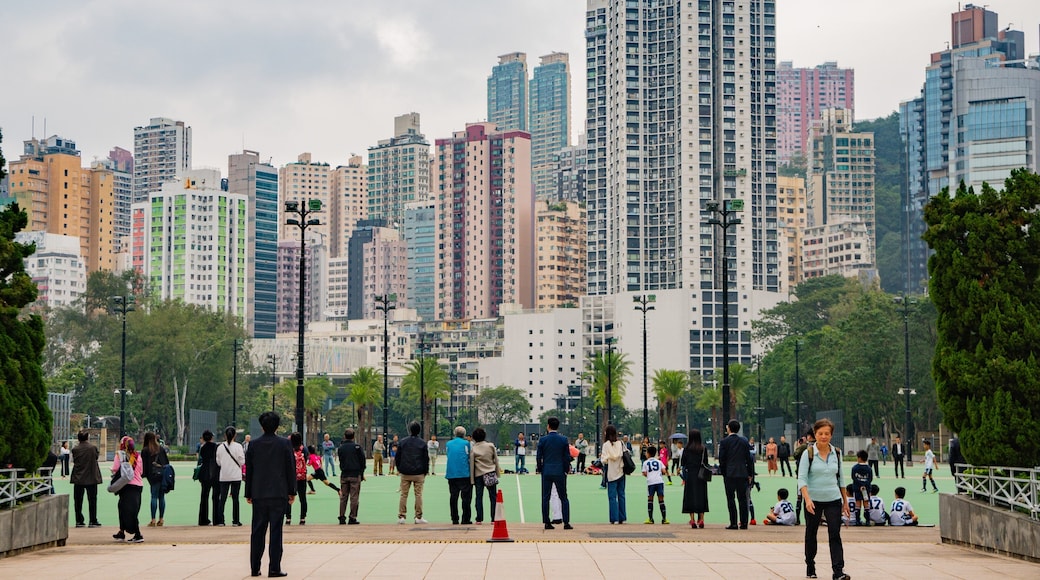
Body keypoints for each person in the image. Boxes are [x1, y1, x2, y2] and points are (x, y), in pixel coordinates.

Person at [798, 418, 851, 580]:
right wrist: (807, 500)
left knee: (835, 534)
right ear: (815, 434)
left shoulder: (837, 453)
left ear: (831, 435)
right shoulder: (808, 453)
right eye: (820, 433)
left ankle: (838, 571)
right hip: (813, 501)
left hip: (833, 499)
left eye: (827, 434)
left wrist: (845, 501)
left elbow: (841, 478)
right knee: (811, 533)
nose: (823, 436)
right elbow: (802, 479)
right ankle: (810, 566)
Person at [245, 411, 296, 577]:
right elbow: (290, 469)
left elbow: (249, 471)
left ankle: (254, 567)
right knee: (276, 531)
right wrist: (292, 491)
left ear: (261, 426)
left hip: (259, 493)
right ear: (277, 426)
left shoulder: (253, 445)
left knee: (257, 531)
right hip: (278, 493)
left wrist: (249, 493)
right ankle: (274, 567)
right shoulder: (284, 444)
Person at [537, 416, 573, 530]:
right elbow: (566, 457)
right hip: (559, 471)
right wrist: (566, 469)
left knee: (545, 497)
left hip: (547, 470)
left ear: (548, 426)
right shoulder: (563, 439)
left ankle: (547, 522)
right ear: (557, 426)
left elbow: (539, 457)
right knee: (563, 497)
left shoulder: (543, 440)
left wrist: (540, 469)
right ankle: (566, 522)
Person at [718, 420, 754, 530]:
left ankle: (733, 523)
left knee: (730, 498)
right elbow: (749, 459)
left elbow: (722, 459)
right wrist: (750, 473)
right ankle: (743, 523)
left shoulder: (724, 442)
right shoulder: (744, 441)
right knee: (743, 499)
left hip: (729, 474)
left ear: (729, 428)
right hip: (742, 473)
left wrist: (724, 472)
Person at [112, 436, 144, 543]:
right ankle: (121, 531)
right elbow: (141, 471)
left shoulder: (120, 455)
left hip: (127, 486)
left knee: (127, 510)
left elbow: (115, 469)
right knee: (127, 509)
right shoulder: (138, 456)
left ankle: (138, 534)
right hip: (138, 485)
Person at [396, 421, 430, 525]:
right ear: (419, 430)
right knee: (418, 495)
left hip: (405, 472)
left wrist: (400, 469)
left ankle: (402, 516)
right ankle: (418, 517)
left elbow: (398, 457)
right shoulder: (422, 443)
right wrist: (425, 471)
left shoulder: (402, 442)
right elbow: (426, 459)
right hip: (419, 473)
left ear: (410, 430)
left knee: (404, 495)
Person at [214, 426, 246, 527]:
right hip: (236, 476)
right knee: (235, 498)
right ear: (235, 435)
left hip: (224, 475)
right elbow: (242, 461)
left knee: (222, 498)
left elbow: (218, 462)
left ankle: (221, 521)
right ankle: (236, 520)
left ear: (224, 435)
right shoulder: (238, 446)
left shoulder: (220, 447)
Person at [70, 430, 102, 528]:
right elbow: (96, 457)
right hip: (91, 477)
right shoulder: (93, 448)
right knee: (92, 500)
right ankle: (93, 520)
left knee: (78, 500)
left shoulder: (75, 449)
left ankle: (79, 520)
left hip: (78, 477)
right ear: (87, 438)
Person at [469, 427, 500, 524]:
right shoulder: (490, 446)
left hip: (478, 474)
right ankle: (493, 519)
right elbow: (496, 460)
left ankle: (479, 519)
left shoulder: (473, 448)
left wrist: (472, 479)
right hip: (490, 472)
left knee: (479, 496)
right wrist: (497, 473)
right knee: (493, 497)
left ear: (474, 438)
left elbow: (472, 465)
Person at [680, 428, 709, 529]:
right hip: (701, 475)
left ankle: (692, 519)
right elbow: (705, 462)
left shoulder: (686, 449)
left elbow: (683, 463)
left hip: (690, 475)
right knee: (701, 496)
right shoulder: (703, 448)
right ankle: (701, 519)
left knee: (690, 496)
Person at [337, 428, 366, 525]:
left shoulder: (341, 448)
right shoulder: (357, 447)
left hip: (344, 474)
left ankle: (341, 516)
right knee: (354, 497)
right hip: (355, 474)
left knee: (343, 497)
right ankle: (352, 517)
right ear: (354, 437)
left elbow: (341, 460)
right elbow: (362, 461)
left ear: (344, 436)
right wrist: (361, 474)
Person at [445, 426, 473, 525]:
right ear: (464, 435)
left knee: (453, 496)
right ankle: (465, 518)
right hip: (464, 473)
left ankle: (454, 518)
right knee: (466, 498)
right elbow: (469, 456)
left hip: (451, 473)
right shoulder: (466, 443)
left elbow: (448, 454)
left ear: (455, 434)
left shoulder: (448, 444)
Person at [141, 431, 170, 527]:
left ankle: (153, 519)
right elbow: (166, 462)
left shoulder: (145, 450)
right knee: (162, 497)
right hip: (162, 474)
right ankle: (161, 519)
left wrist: (143, 475)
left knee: (153, 496)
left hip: (152, 476)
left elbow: (143, 465)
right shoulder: (161, 449)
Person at [600, 425, 626, 524]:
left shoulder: (606, 445)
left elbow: (604, 460)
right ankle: (622, 517)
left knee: (612, 497)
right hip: (621, 472)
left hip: (611, 473)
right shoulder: (620, 443)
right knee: (621, 495)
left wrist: (608, 457)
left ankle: (613, 518)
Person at [641, 444, 669, 524]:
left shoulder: (646, 463)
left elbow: (644, 473)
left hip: (651, 483)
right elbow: (664, 471)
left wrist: (649, 475)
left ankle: (650, 519)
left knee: (650, 499)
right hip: (659, 482)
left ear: (648, 454)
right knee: (661, 499)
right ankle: (664, 519)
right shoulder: (659, 462)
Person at [793, 430, 815, 525]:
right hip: (814, 478)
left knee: (800, 497)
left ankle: (797, 519)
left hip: (802, 477)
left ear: (809, 436)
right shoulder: (819, 447)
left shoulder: (804, 447)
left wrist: (798, 446)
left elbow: (795, 455)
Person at [197, 430, 219, 526]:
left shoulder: (203, 447)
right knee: (216, 497)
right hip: (214, 473)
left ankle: (203, 519)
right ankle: (217, 519)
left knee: (204, 497)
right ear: (211, 438)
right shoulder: (216, 446)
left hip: (204, 473)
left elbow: (200, 460)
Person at [287, 432, 309, 525]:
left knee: (288, 497)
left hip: (290, 476)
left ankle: (288, 518)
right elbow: (307, 458)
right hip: (302, 476)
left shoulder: (288, 449)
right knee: (302, 498)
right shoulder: (304, 449)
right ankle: (302, 517)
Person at [849, 450, 873, 526]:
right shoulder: (869, 468)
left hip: (857, 488)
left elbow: (853, 478)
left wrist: (860, 485)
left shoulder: (855, 468)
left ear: (859, 458)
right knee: (866, 503)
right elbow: (870, 479)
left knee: (858, 503)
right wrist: (864, 485)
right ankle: (868, 521)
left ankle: (857, 521)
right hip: (866, 488)